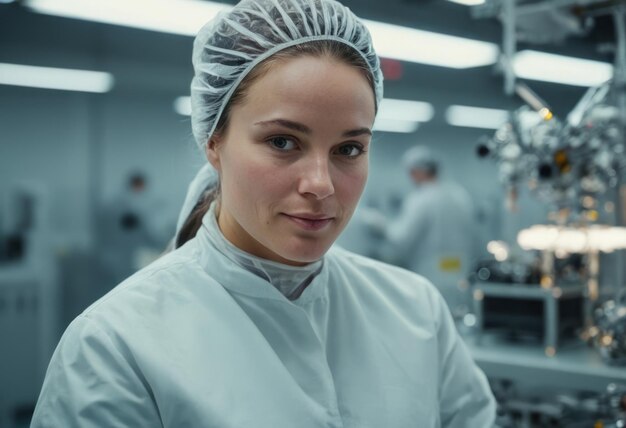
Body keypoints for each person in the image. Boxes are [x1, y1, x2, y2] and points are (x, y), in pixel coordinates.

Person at [31, 1, 496, 427]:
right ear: (213, 142)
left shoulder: (415, 311)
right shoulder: (115, 346)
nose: (321, 183)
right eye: (282, 142)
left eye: (349, 148)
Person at [366, 146, 476, 319]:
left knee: (430, 319)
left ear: (417, 171)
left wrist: (379, 223)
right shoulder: (460, 195)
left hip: (430, 273)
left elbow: (400, 238)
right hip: (458, 270)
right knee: (454, 319)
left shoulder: (421, 199)